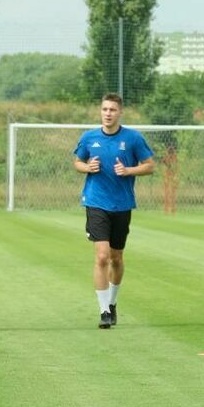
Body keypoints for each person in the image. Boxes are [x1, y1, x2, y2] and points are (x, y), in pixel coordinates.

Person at [72, 93, 155, 329]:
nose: (108, 113)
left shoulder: (133, 138)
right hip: (96, 202)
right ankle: (104, 311)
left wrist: (128, 171)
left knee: (116, 259)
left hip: (122, 204)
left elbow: (150, 166)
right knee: (102, 256)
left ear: (120, 113)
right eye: (104, 109)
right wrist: (87, 166)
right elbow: (77, 162)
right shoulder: (89, 137)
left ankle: (113, 302)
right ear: (100, 111)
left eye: (112, 110)